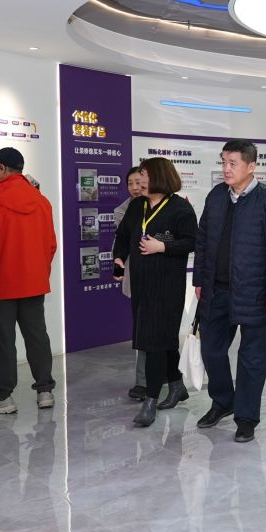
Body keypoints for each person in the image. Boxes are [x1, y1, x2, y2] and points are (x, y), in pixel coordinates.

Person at [192, 139, 266, 443]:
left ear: (251, 166)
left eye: (232, 163)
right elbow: (202, 240)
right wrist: (199, 280)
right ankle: (223, 401)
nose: (226, 168)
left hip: (255, 293)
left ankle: (246, 417)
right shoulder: (216, 196)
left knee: (252, 358)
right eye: (223, 162)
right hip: (215, 290)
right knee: (211, 350)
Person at [0, 147, 59, 414]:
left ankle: (2, 397)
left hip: (1, 285)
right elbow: (51, 245)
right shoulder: (41, 201)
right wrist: (39, 274)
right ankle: (45, 391)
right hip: (33, 284)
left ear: (1, 168)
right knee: (37, 337)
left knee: (3, 341)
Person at [112, 158, 198, 426]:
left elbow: (193, 241)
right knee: (163, 339)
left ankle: (150, 400)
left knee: (153, 343)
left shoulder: (180, 208)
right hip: (141, 284)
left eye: (145, 175)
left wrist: (163, 247)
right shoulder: (137, 205)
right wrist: (118, 258)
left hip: (167, 287)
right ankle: (177, 385)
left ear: (160, 177)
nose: (140, 181)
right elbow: (123, 235)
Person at [116, 166, 150, 400]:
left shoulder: (166, 206)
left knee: (153, 330)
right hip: (136, 276)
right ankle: (145, 380)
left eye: (139, 182)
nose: (135, 187)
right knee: (143, 328)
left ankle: (155, 377)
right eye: (131, 183)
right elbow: (122, 242)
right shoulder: (124, 211)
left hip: (158, 278)